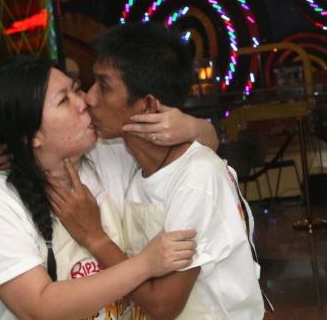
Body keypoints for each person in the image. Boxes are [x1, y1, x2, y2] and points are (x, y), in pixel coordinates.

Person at [49, 22, 265, 319]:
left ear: (148, 105)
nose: (89, 98)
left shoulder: (196, 177)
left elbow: (164, 304)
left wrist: (94, 237)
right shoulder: (131, 163)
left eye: (104, 85)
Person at [0, 54, 205, 320]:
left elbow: (202, 155)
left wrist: (191, 125)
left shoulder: (113, 154)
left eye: (76, 89)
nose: (85, 102)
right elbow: (39, 308)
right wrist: (146, 264)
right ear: (32, 137)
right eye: (63, 100)